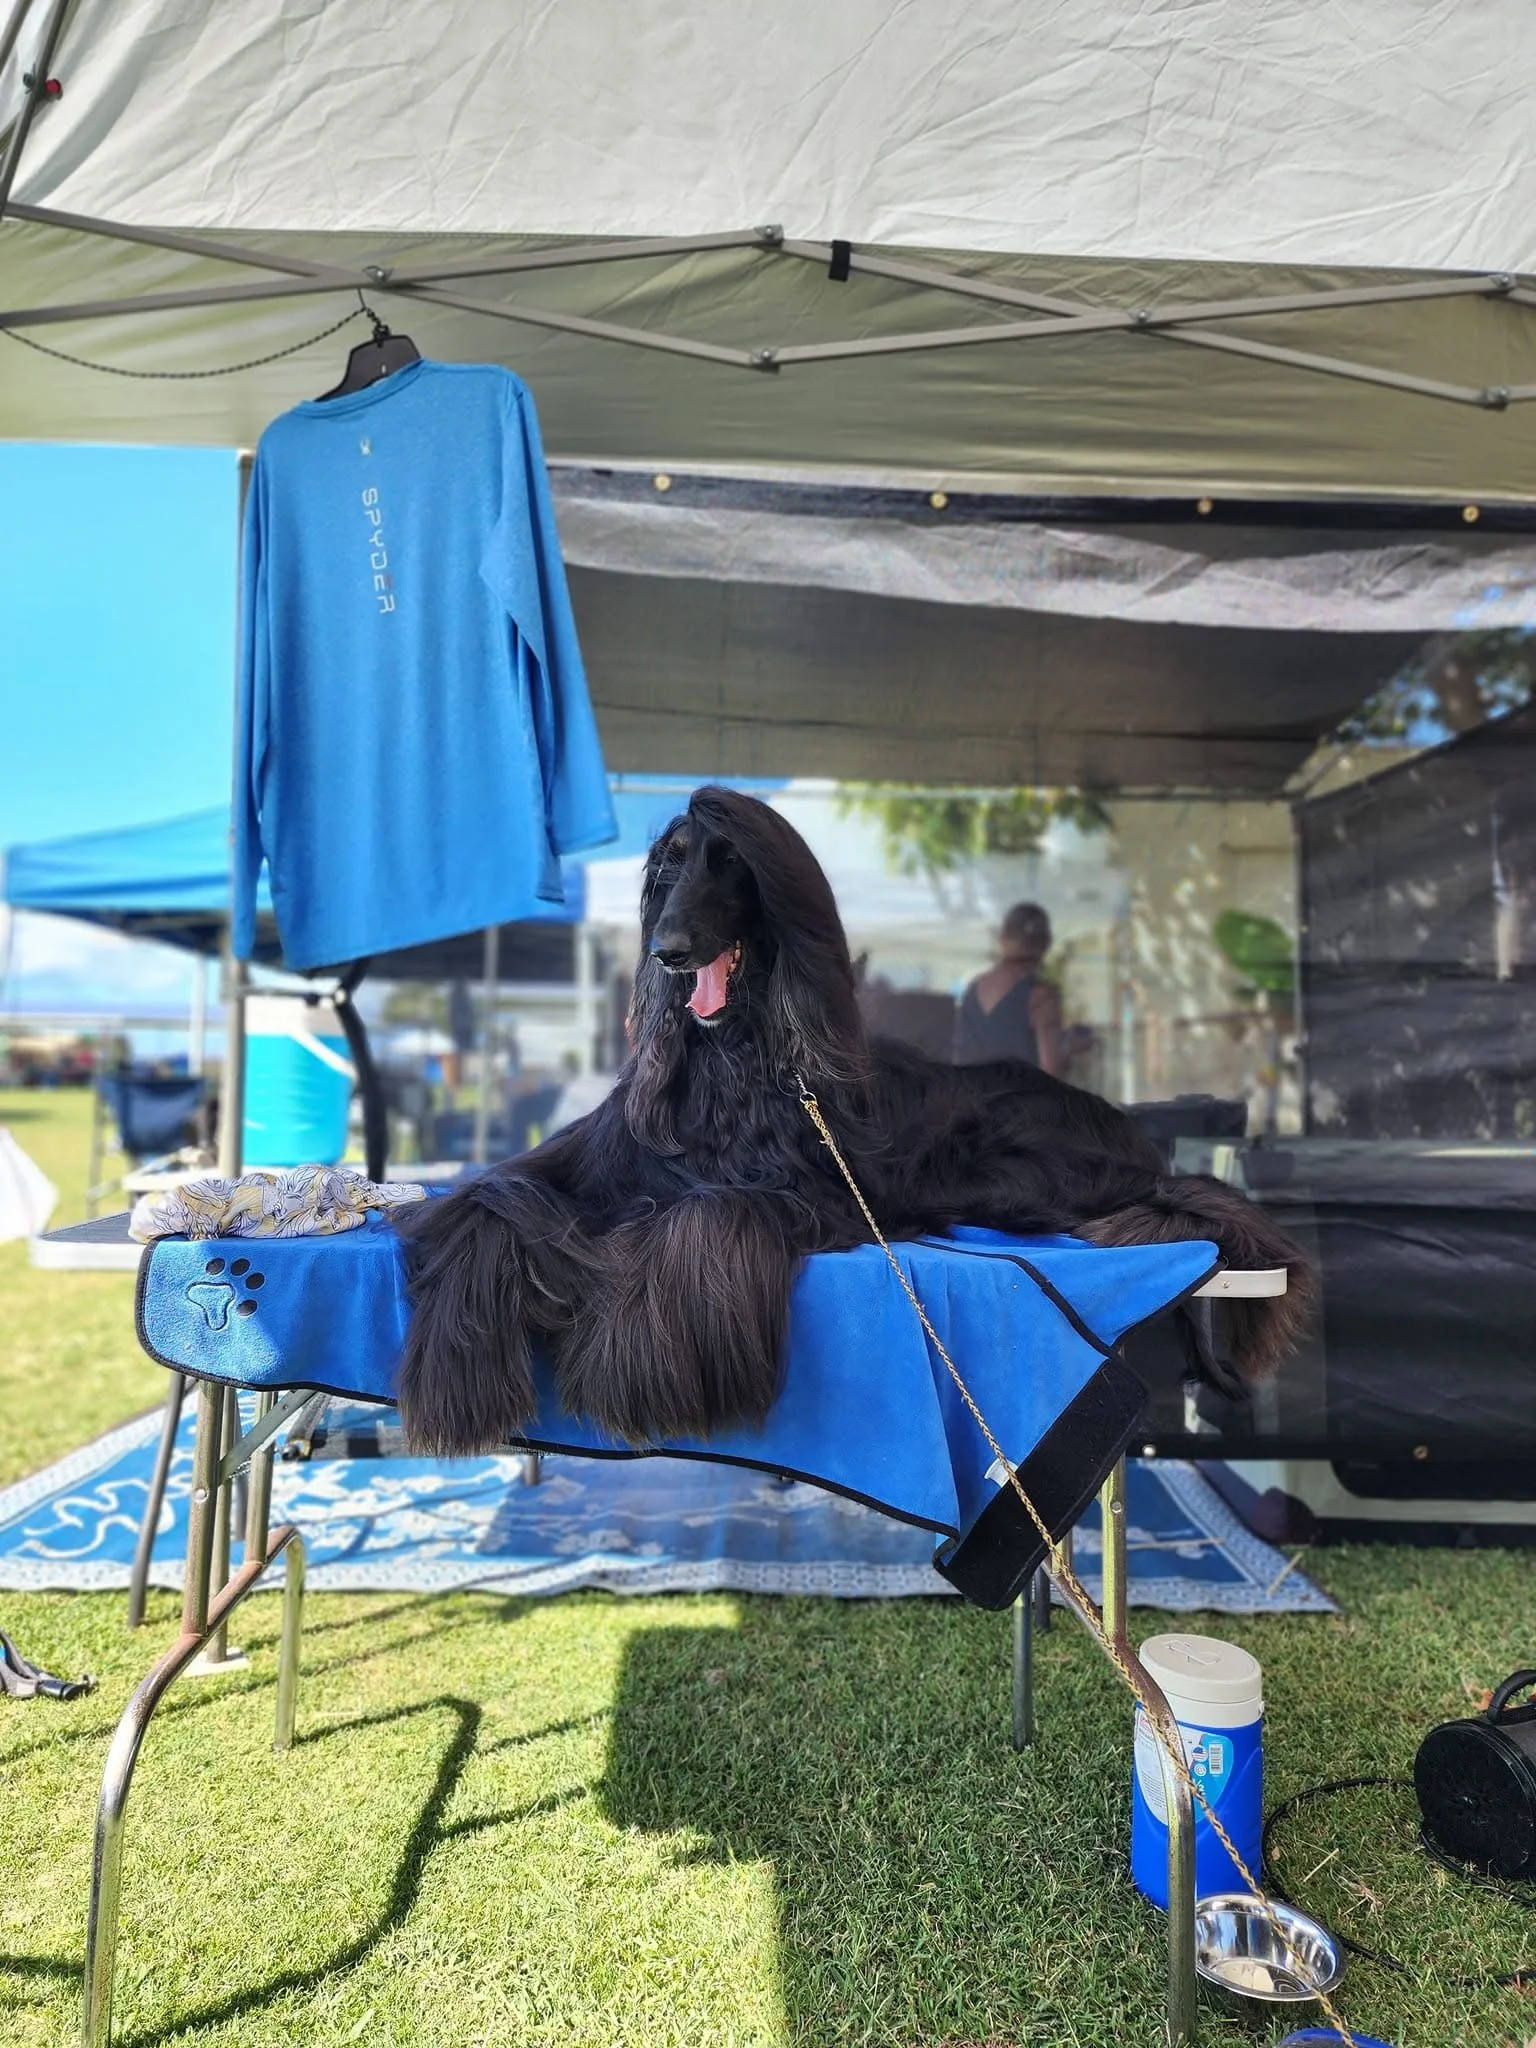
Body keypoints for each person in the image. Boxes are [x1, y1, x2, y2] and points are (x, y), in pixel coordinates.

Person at [952, 902, 1063, 1074]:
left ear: (1002, 939)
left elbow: (961, 1056)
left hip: (971, 1096)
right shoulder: (1041, 996)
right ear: (1047, 944)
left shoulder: (973, 988)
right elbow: (1051, 1071)